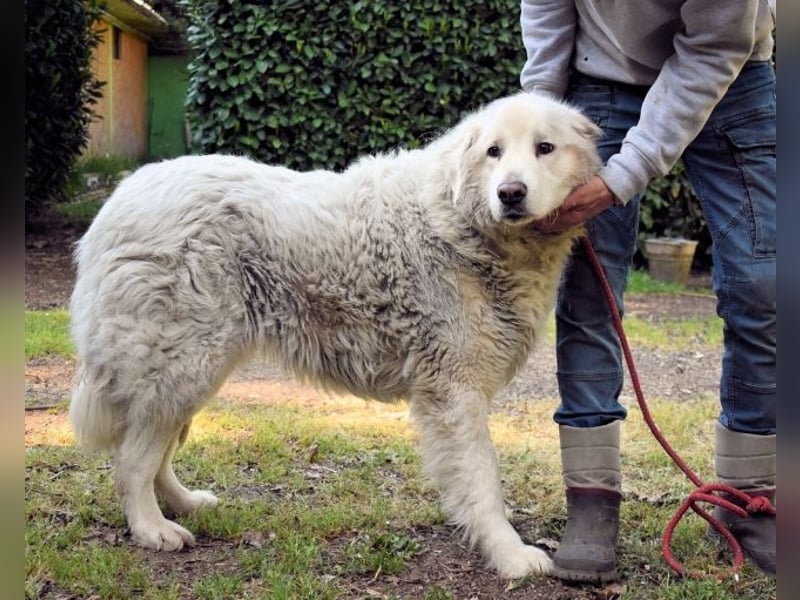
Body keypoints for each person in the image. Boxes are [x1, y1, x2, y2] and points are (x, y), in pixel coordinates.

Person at [519, 0, 776, 582]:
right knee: (588, 290)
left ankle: (750, 496)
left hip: (732, 71)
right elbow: (548, 11)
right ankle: (591, 497)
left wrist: (620, 177)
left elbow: (714, 45)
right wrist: (540, 119)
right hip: (601, 75)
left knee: (766, 285)